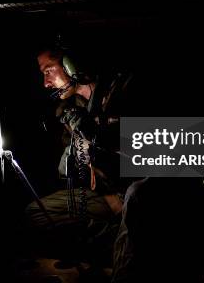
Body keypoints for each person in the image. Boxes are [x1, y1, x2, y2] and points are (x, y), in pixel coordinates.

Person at [25, 42, 132, 265]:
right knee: (34, 214)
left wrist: (98, 134)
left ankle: (128, 242)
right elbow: (72, 168)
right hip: (104, 193)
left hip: (137, 192)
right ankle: (114, 240)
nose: (46, 83)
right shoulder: (73, 108)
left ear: (71, 65)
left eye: (48, 71)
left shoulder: (123, 91)